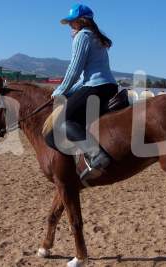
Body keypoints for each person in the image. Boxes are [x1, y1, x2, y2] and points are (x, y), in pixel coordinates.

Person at [44, 4, 118, 180]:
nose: (70, 25)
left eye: (72, 21)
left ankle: (96, 154)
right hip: (108, 86)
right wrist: (67, 92)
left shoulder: (82, 36)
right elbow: (84, 79)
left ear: (81, 20)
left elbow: (74, 70)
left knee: (60, 121)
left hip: (96, 87)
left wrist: (60, 90)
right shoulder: (95, 37)